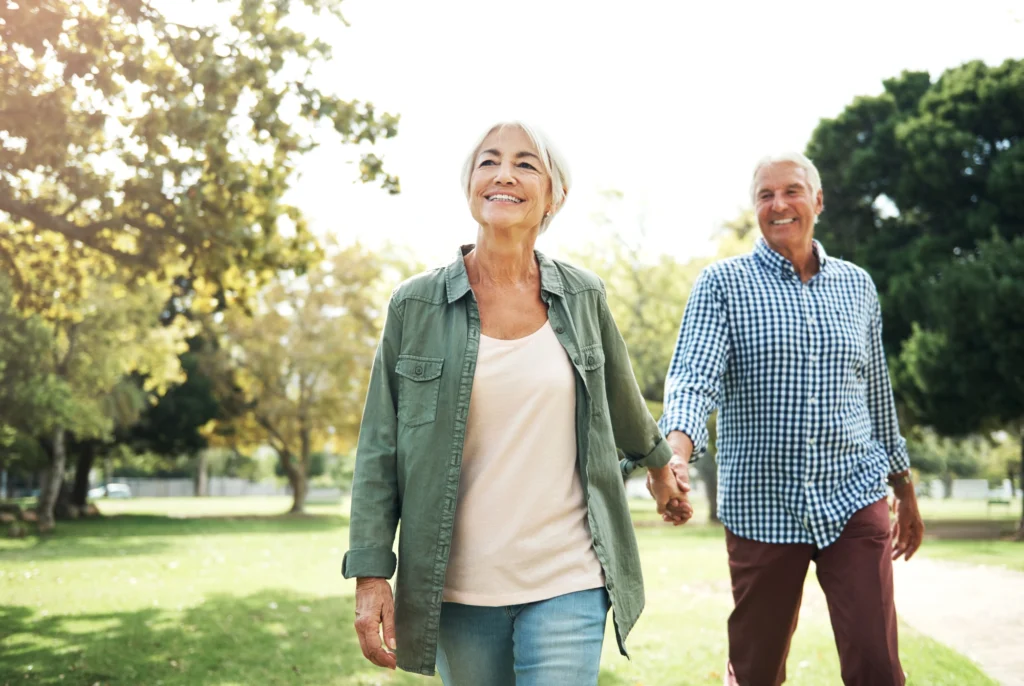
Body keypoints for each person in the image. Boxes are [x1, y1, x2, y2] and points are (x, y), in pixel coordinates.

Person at [342, 121, 692, 685]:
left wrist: (659, 470)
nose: (504, 173)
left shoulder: (583, 296)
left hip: (568, 576)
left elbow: (622, 403)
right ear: (471, 186)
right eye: (489, 161)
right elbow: (379, 450)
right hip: (456, 588)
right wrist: (371, 574)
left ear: (554, 195)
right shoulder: (416, 306)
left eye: (526, 163)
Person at [658, 152, 925, 686]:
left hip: (854, 495)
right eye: (765, 195)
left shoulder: (857, 287)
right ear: (755, 207)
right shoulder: (722, 285)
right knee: (757, 669)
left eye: (792, 191)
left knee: (877, 663)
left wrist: (905, 487)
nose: (779, 204)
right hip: (763, 505)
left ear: (818, 201)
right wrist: (675, 456)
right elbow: (693, 379)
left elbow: (876, 393)